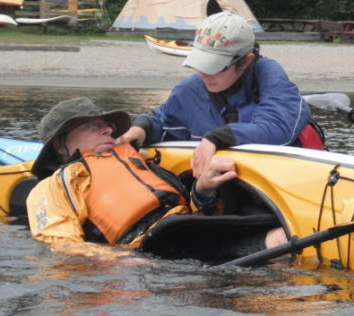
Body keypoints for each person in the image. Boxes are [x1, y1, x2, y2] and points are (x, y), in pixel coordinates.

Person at [26, 97, 286, 256]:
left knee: (265, 223)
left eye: (108, 125)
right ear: (60, 146)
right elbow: (61, 248)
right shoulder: (53, 186)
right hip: (148, 248)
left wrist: (204, 190)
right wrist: (123, 260)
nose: (108, 129)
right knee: (277, 239)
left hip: (179, 230)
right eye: (93, 126)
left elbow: (187, 209)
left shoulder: (134, 160)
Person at [116, 11, 325, 180]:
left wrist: (215, 138)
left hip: (279, 180)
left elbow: (277, 128)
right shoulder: (190, 87)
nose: (204, 73)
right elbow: (163, 121)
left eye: (215, 67)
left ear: (245, 61)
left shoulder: (269, 75)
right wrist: (140, 128)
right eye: (201, 64)